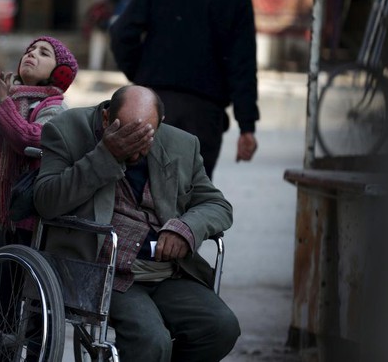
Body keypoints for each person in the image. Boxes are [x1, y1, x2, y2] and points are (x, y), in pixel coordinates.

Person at [33, 85, 240, 362]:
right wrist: (106, 155)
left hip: (164, 271)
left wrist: (186, 228)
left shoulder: (182, 144)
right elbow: (46, 201)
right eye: (124, 130)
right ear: (106, 118)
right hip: (102, 269)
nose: (133, 142)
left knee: (220, 327)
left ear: (160, 125)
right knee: (151, 341)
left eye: (144, 135)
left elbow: (217, 205)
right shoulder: (67, 130)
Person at [0, 36, 77, 360]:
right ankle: (1, 354)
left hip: (34, 220)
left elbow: (29, 139)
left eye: (43, 53)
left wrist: (1, 104)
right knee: (4, 303)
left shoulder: (53, 108)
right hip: (1, 215)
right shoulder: (9, 97)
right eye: (29, 50)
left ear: (60, 72)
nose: (31, 54)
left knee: (36, 305)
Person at [110, 0, 259, 178]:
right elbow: (242, 65)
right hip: (204, 115)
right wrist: (247, 127)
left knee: (139, 195)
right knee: (190, 199)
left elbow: (121, 34)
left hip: (151, 106)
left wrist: (141, 75)